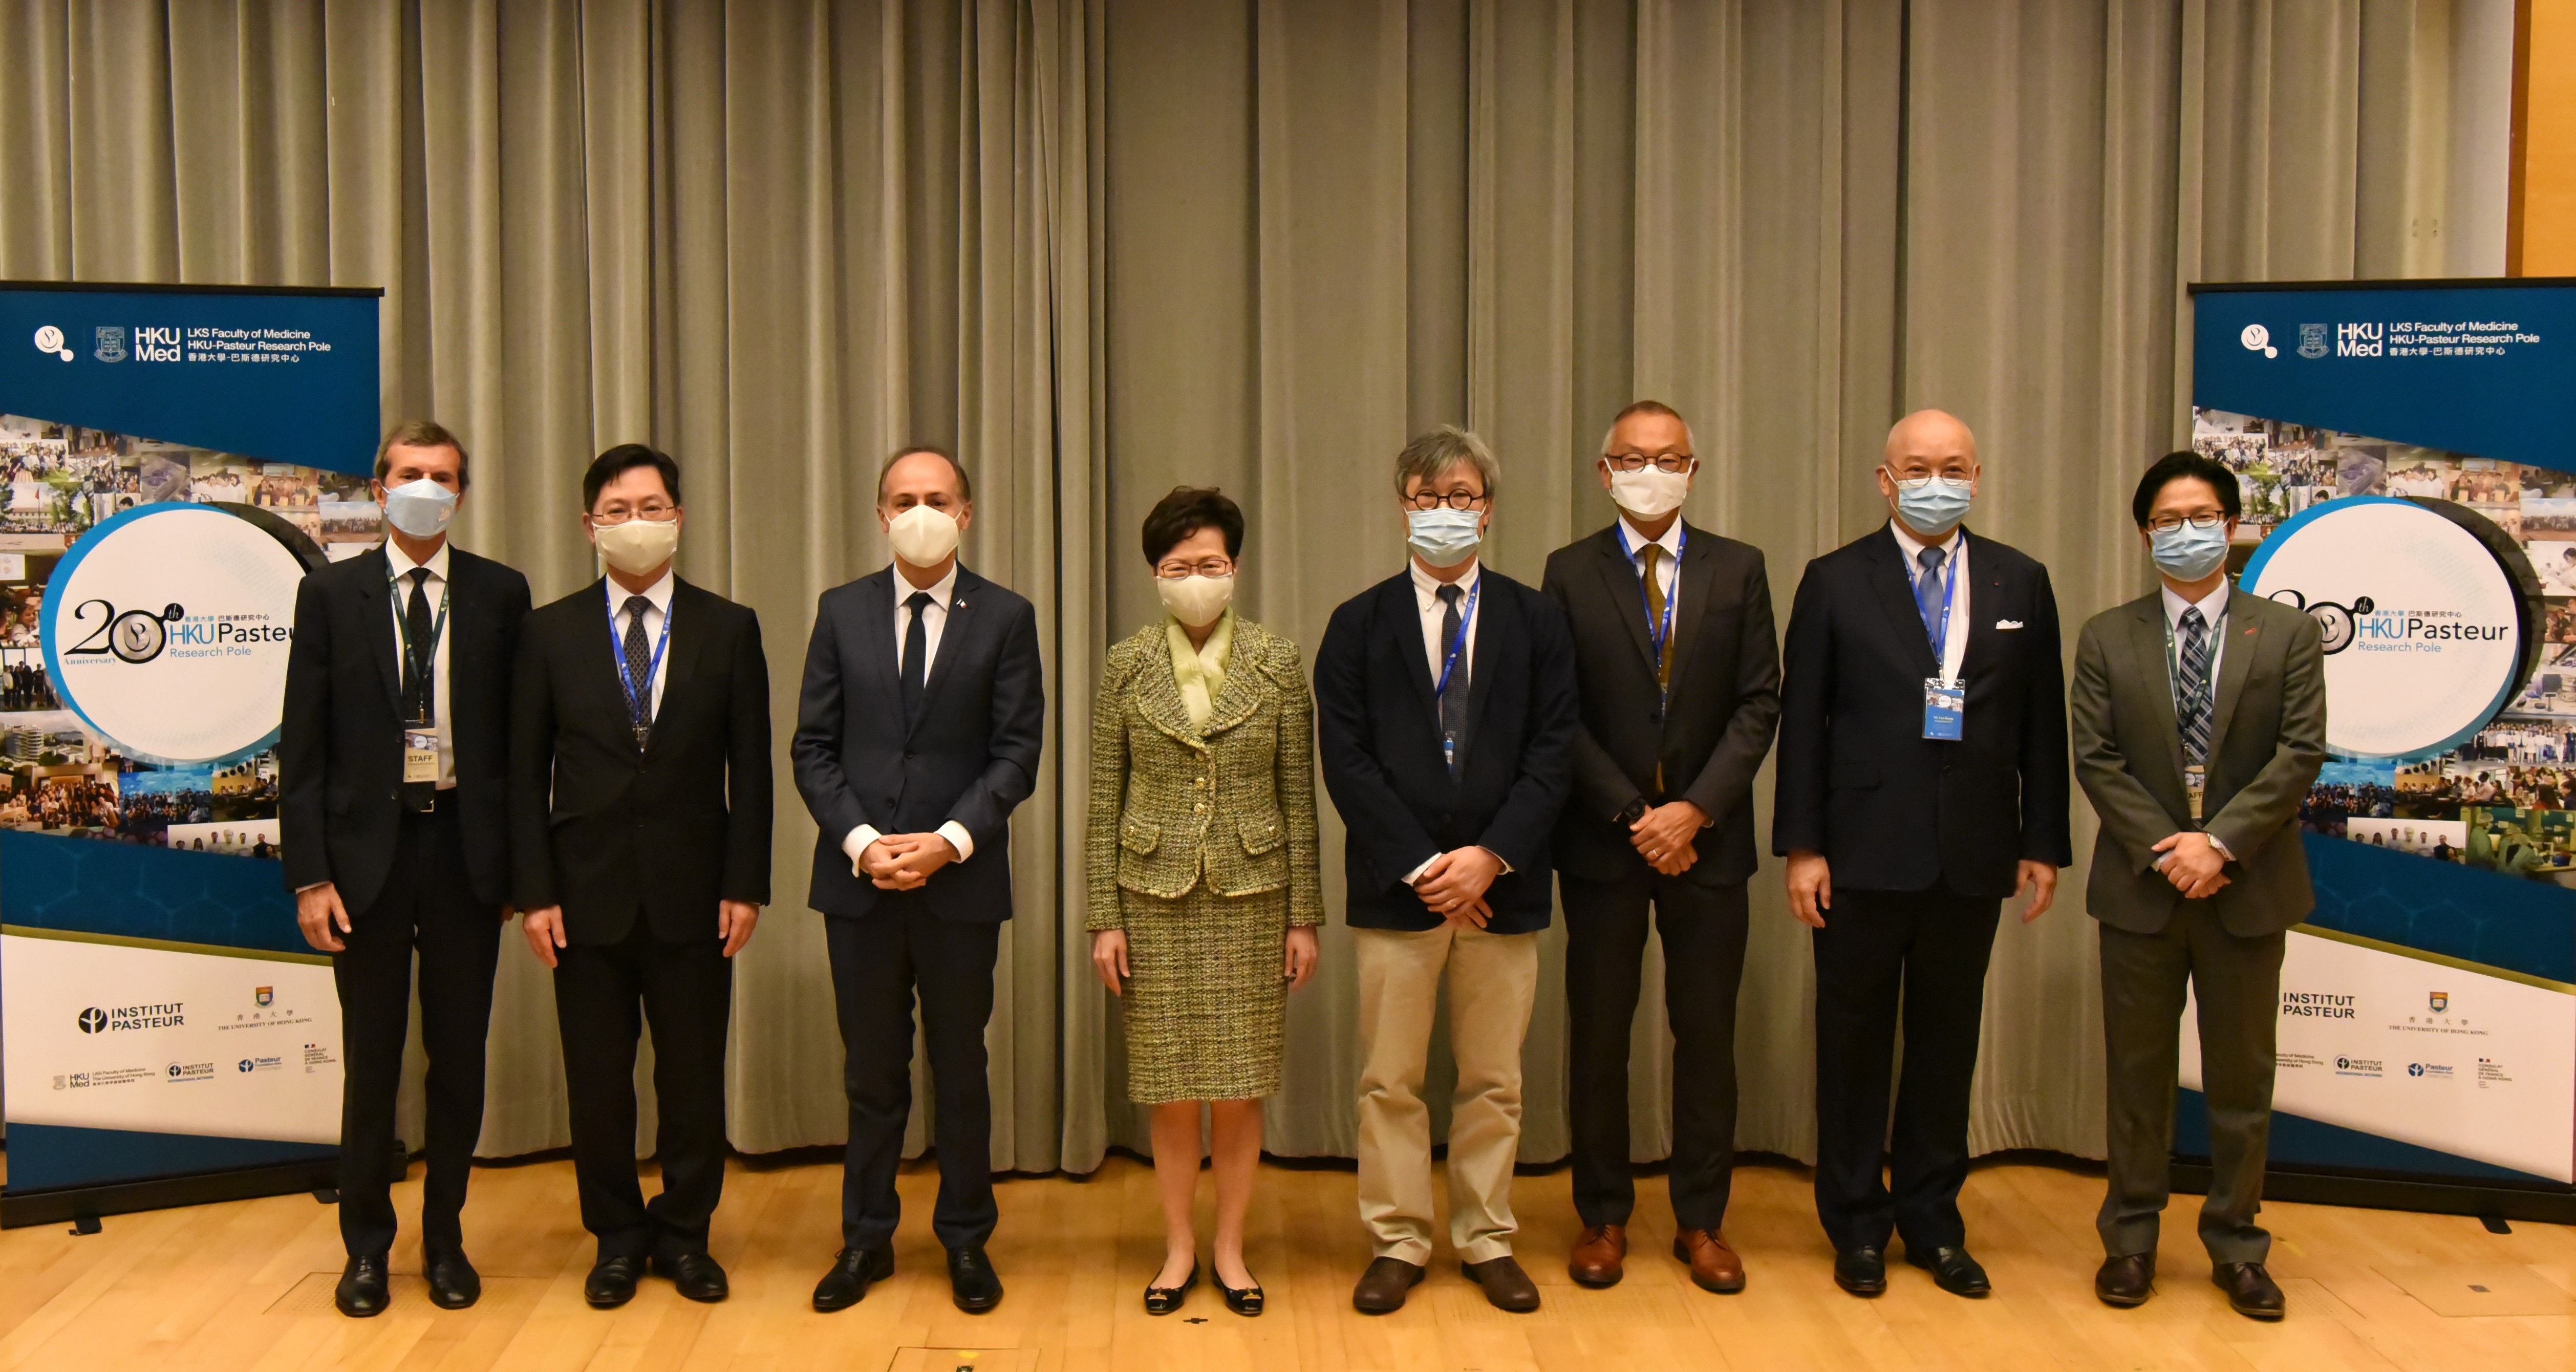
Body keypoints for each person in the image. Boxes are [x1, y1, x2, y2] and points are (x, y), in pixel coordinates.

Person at [1772, 408, 2070, 1300]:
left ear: (1977, 476)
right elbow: (1804, 728)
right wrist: (1802, 848)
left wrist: (2043, 842)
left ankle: (1934, 1224)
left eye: (1953, 466)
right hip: (1858, 857)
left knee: (1947, 1050)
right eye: (1917, 466)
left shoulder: (2022, 580)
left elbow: (2041, 725)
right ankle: (1857, 1224)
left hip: (1973, 856)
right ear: (1884, 478)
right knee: (1853, 1045)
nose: (1935, 480)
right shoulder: (1833, 581)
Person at [1315, 426, 1579, 1316]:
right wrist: (1429, 865)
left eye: (1461, 497)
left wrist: (1489, 857)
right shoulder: (1357, 623)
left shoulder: (1538, 619)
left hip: (1505, 886)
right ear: (1402, 510)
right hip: (1399, 892)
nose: (1445, 513)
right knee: (1390, 1080)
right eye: (1427, 499)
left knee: (1493, 1080)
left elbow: (1554, 752)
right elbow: (1346, 760)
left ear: (1489, 510)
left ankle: (1486, 1235)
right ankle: (1399, 1239)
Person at [510, 444, 770, 1310]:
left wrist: (747, 885)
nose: (636, 523)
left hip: (698, 894)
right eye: (617, 511)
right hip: (582, 899)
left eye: (652, 506)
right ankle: (617, 1237)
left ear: (680, 518)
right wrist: (535, 892)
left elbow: (753, 771)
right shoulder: (547, 632)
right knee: (597, 1084)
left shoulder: (730, 627)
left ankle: (687, 1235)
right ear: (589, 527)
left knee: (691, 1081)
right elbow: (523, 773)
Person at [280, 420, 530, 1318]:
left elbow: (517, 746)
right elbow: (302, 749)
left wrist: (518, 873)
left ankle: (447, 1239)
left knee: (460, 1061)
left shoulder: (502, 594)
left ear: (463, 493)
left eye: (444, 476)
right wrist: (309, 876)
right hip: (363, 866)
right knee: (372, 1064)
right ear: (379, 488)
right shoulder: (331, 594)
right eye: (410, 474)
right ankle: (366, 1251)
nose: (427, 487)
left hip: (466, 855)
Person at [790, 446, 1043, 1316]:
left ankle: (966, 1239)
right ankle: (866, 1239)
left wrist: (947, 841)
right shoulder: (841, 610)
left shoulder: (1007, 616)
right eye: (905, 498)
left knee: (960, 1066)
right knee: (871, 1072)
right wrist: (863, 843)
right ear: (880, 513)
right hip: (858, 884)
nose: (921, 511)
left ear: (965, 515)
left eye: (937, 498)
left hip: (960, 885)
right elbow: (813, 748)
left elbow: (1018, 754)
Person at [2073, 451, 2325, 1321]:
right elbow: (2097, 759)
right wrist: (2168, 847)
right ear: (2146, 534)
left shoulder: (2286, 633)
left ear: (2232, 525)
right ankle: (2132, 1241)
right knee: (2137, 1078)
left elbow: (2299, 755)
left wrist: (2218, 845)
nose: (2187, 533)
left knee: (2241, 1078)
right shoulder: (2108, 634)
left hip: (2245, 889)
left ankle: (2238, 1245)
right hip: (2143, 891)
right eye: (2168, 521)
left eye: (2203, 517)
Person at [1541, 401, 1779, 1294]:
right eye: (1634, 458)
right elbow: (1556, 711)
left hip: (1709, 849)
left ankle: (1702, 1221)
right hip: (1605, 846)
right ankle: (1602, 1215)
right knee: (1599, 1035)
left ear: (1694, 468)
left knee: (1707, 1036)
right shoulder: (1567, 573)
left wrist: (1696, 811)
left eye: (1669, 457)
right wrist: (1636, 815)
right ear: (1605, 473)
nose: (1652, 470)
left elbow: (1762, 702)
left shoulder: (1740, 568)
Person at [1086, 486, 1323, 1318]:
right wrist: (1102, 918)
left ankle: (1231, 1246)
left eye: (1211, 564)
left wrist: (1305, 916)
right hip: (1150, 897)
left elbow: (1300, 791)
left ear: (1237, 569)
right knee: (1170, 1086)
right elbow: (1102, 796)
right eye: (1179, 565)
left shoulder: (1277, 659)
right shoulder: (1125, 664)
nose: (1196, 578)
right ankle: (1179, 1244)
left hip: (1254, 896)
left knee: (1241, 1088)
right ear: (1156, 574)